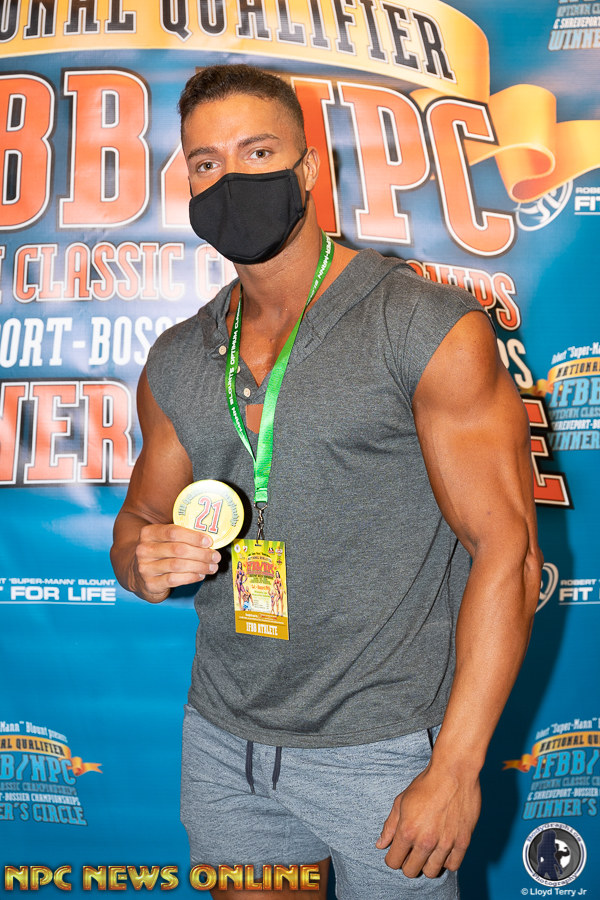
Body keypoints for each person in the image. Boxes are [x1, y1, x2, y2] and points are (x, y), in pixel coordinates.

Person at [111, 64, 542, 899]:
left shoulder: (422, 326)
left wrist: (456, 766)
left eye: (257, 152)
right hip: (224, 743)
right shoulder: (178, 356)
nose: (230, 180)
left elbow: (509, 553)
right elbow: (136, 522)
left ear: (308, 168)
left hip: (384, 753)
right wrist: (143, 559)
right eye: (206, 163)